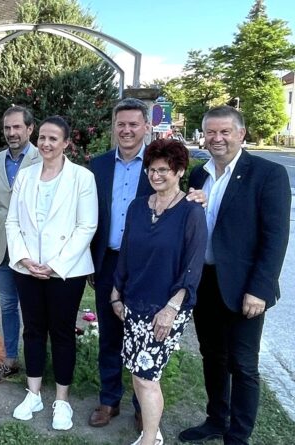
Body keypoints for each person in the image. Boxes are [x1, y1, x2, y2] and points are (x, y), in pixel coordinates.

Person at [178, 106, 291, 445]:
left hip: (244, 287)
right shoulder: (198, 175)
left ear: (241, 134)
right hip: (205, 282)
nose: (217, 138)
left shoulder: (267, 174)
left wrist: (260, 288)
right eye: (211, 132)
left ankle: (238, 436)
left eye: (225, 131)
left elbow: (275, 238)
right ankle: (216, 419)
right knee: (212, 355)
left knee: (243, 364)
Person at [110, 139, 207, 445]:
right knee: (138, 372)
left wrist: (171, 309)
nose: (156, 175)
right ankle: (152, 432)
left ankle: (150, 439)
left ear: (179, 171)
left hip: (167, 307)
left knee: (146, 377)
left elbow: (193, 266)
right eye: (151, 169)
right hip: (134, 302)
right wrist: (116, 293)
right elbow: (126, 253)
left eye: (164, 170)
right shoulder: (138, 207)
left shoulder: (191, 212)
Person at [6, 116, 97, 430]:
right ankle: (33, 394)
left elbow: (87, 226)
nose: (46, 143)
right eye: (42, 137)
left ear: (66, 143)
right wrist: (25, 258)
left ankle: (62, 400)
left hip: (66, 272)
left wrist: (55, 265)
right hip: (27, 267)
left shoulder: (82, 178)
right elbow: (12, 222)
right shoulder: (25, 175)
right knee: (32, 329)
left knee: (61, 332)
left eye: (53, 138)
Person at [88, 97, 153, 429]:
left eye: (133, 124)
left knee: (143, 337)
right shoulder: (98, 166)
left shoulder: (159, 164)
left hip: (146, 266)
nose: (126, 130)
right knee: (110, 335)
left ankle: (143, 405)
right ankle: (109, 400)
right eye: (121, 124)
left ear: (146, 127)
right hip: (108, 262)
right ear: (114, 127)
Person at [0, 106, 40, 384]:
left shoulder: (43, 158)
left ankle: (37, 364)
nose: (11, 133)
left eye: (17, 127)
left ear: (30, 129)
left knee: (34, 309)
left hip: (33, 249)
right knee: (7, 305)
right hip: (1, 247)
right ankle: (10, 360)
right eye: (7, 128)